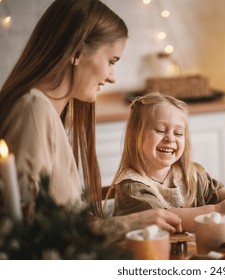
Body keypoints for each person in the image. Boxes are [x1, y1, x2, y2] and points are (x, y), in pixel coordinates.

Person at [0, 0, 181, 234]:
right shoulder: (34, 109)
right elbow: (32, 229)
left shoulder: (53, 113)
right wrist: (129, 223)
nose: (112, 77)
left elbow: (62, 215)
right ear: (77, 52)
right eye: (111, 61)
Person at [110, 92, 225, 230]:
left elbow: (215, 192)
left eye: (178, 133)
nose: (170, 138)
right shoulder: (132, 187)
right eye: (160, 130)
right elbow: (162, 218)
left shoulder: (190, 173)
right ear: (136, 136)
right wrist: (216, 210)